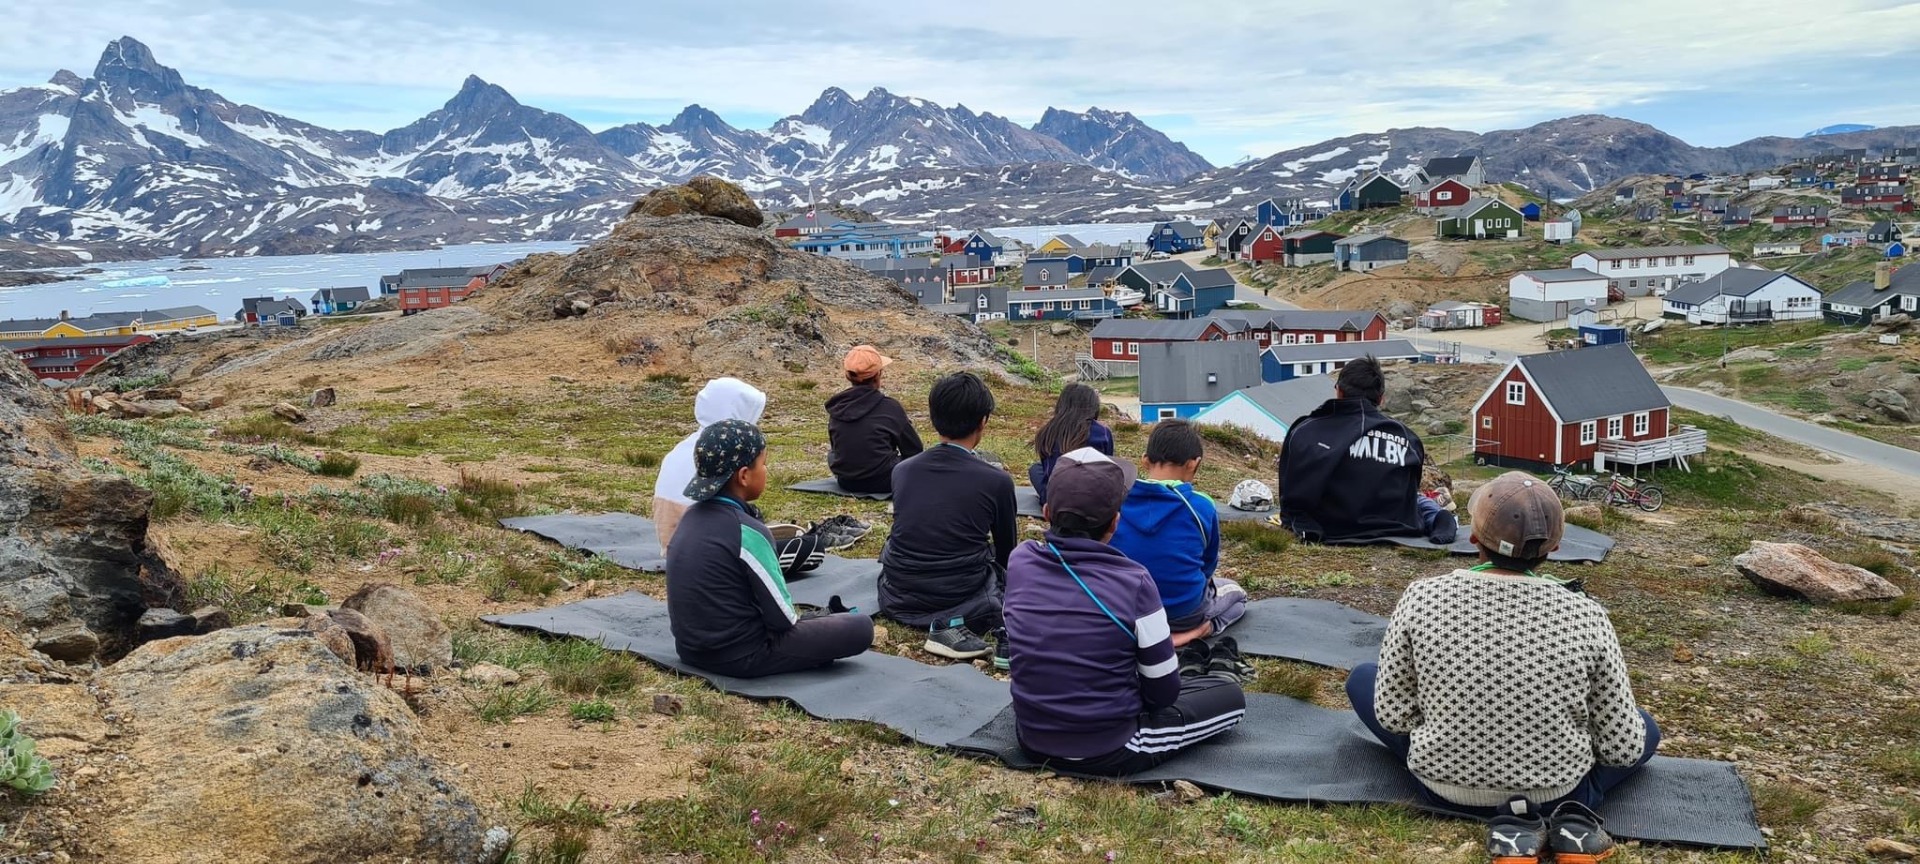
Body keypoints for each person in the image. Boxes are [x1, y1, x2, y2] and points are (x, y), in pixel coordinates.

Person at [1345, 472, 1655, 862]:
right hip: (1557, 791)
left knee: (1361, 678)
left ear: (1473, 537)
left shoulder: (1422, 596)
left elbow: (1393, 716)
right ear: (1555, 546)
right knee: (1647, 729)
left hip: (1442, 784)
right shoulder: (1587, 614)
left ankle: (1511, 823)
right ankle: (1572, 817)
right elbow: (1622, 748)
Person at [1004, 446, 1247, 776]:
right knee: (1230, 698)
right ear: (1114, 523)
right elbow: (1163, 694)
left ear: (1046, 511)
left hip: (1031, 737)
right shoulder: (1135, 582)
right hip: (1113, 747)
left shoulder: (1020, 560)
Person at [665, 420, 873, 679]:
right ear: (743, 475)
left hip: (690, 650)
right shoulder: (747, 531)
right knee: (860, 627)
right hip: (741, 655)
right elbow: (783, 621)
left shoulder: (690, 517)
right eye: (763, 464)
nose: (766, 470)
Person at [877, 372, 1017, 660]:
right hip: (959, 592)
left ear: (934, 418)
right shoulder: (996, 481)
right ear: (983, 422)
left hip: (898, 592)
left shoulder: (902, 470)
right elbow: (1007, 553)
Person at [1275, 357, 1457, 544]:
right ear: (1381, 398)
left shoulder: (1304, 430)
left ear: (1339, 390)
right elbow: (1410, 489)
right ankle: (1438, 517)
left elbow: (1291, 496)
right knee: (1419, 501)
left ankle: (1436, 514)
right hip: (1398, 524)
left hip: (1330, 526)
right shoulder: (1408, 438)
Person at [653, 377, 825, 574]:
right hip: (708, 551)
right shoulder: (726, 454)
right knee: (811, 548)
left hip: (677, 544)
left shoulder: (686, 448)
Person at [1109, 419, 1245, 643]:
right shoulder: (1201, 505)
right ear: (1193, 464)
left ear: (1145, 460)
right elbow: (1208, 564)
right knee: (1238, 596)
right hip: (1183, 615)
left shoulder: (1118, 499)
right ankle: (1193, 634)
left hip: (1127, 612)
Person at [826, 345, 924, 495]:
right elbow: (914, 450)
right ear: (878, 375)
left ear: (848, 376)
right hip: (886, 481)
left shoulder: (838, 406)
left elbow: (837, 447)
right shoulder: (890, 407)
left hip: (846, 482)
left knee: (832, 454)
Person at [1027, 382, 1114, 502]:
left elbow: (1048, 469)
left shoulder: (1048, 430)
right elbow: (1109, 467)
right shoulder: (1103, 432)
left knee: (1035, 469)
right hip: (1095, 499)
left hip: (1056, 500)